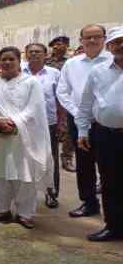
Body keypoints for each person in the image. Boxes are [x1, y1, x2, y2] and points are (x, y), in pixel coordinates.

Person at [0, 46, 53, 229]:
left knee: (24, 173)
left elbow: (34, 107)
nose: (8, 62)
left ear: (19, 61)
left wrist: (13, 122)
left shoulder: (30, 82)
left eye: (12, 59)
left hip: (23, 137)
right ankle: (2, 210)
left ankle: (25, 213)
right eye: (4, 59)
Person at [57, 24, 112, 218]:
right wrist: (78, 113)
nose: (92, 40)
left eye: (97, 36)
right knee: (84, 163)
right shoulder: (72, 64)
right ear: (80, 40)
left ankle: (113, 210)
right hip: (79, 121)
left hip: (107, 122)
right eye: (87, 37)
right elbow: (62, 91)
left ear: (104, 39)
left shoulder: (114, 61)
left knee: (109, 165)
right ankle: (89, 203)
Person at [76, 26, 123, 241]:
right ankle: (113, 226)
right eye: (116, 42)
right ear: (109, 46)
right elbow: (86, 105)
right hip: (106, 134)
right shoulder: (98, 72)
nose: (120, 45)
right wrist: (83, 131)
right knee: (109, 182)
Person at [23, 43, 65, 209]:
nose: (34, 54)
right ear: (26, 54)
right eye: (31, 51)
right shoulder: (19, 72)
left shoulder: (54, 74)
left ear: (46, 55)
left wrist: (62, 123)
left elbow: (60, 100)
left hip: (49, 124)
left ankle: (51, 193)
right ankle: (26, 194)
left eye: (38, 51)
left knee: (49, 158)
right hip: (24, 124)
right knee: (24, 159)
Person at [46, 36, 75, 173]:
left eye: (61, 44)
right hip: (50, 100)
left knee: (68, 129)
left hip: (67, 99)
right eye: (55, 45)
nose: (57, 47)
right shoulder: (45, 62)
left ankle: (67, 158)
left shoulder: (71, 63)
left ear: (66, 46)